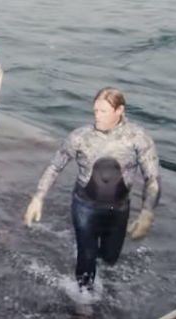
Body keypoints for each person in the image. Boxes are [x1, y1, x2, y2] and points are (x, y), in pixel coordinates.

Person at [23, 86, 161, 289]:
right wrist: (38, 197)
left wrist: (147, 213)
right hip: (85, 206)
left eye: (103, 111)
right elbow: (55, 166)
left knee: (110, 258)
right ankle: (83, 302)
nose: (97, 116)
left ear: (119, 110)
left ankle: (98, 278)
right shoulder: (80, 137)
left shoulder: (138, 138)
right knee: (87, 256)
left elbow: (152, 178)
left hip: (119, 208)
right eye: (95, 111)